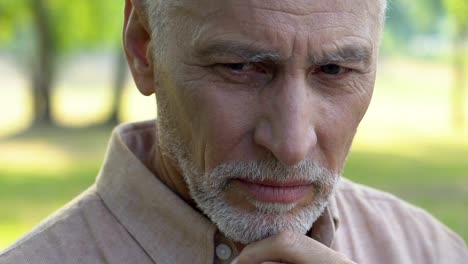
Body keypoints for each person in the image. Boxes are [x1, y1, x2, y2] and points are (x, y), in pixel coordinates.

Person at [1, 0, 467, 263]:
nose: (290, 146)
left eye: (334, 69)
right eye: (241, 67)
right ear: (144, 48)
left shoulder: (430, 251)